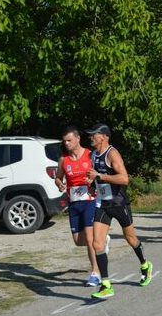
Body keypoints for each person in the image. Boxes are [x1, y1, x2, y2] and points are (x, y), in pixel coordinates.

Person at [85, 124, 152, 299]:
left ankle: (145, 265)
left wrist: (99, 177)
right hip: (102, 203)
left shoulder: (112, 153)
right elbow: (96, 178)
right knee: (97, 243)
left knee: (130, 238)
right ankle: (106, 285)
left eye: (94, 134)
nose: (90, 137)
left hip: (119, 202)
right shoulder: (92, 154)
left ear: (104, 136)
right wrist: (93, 186)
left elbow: (124, 178)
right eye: (90, 135)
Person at [55, 125, 105, 287]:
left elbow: (101, 175)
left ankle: (95, 273)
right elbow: (58, 177)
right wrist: (60, 184)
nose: (67, 144)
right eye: (65, 141)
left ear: (78, 139)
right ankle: (102, 240)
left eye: (69, 140)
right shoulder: (64, 159)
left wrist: (94, 180)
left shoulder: (91, 155)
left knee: (90, 240)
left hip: (90, 200)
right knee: (78, 241)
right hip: (74, 203)